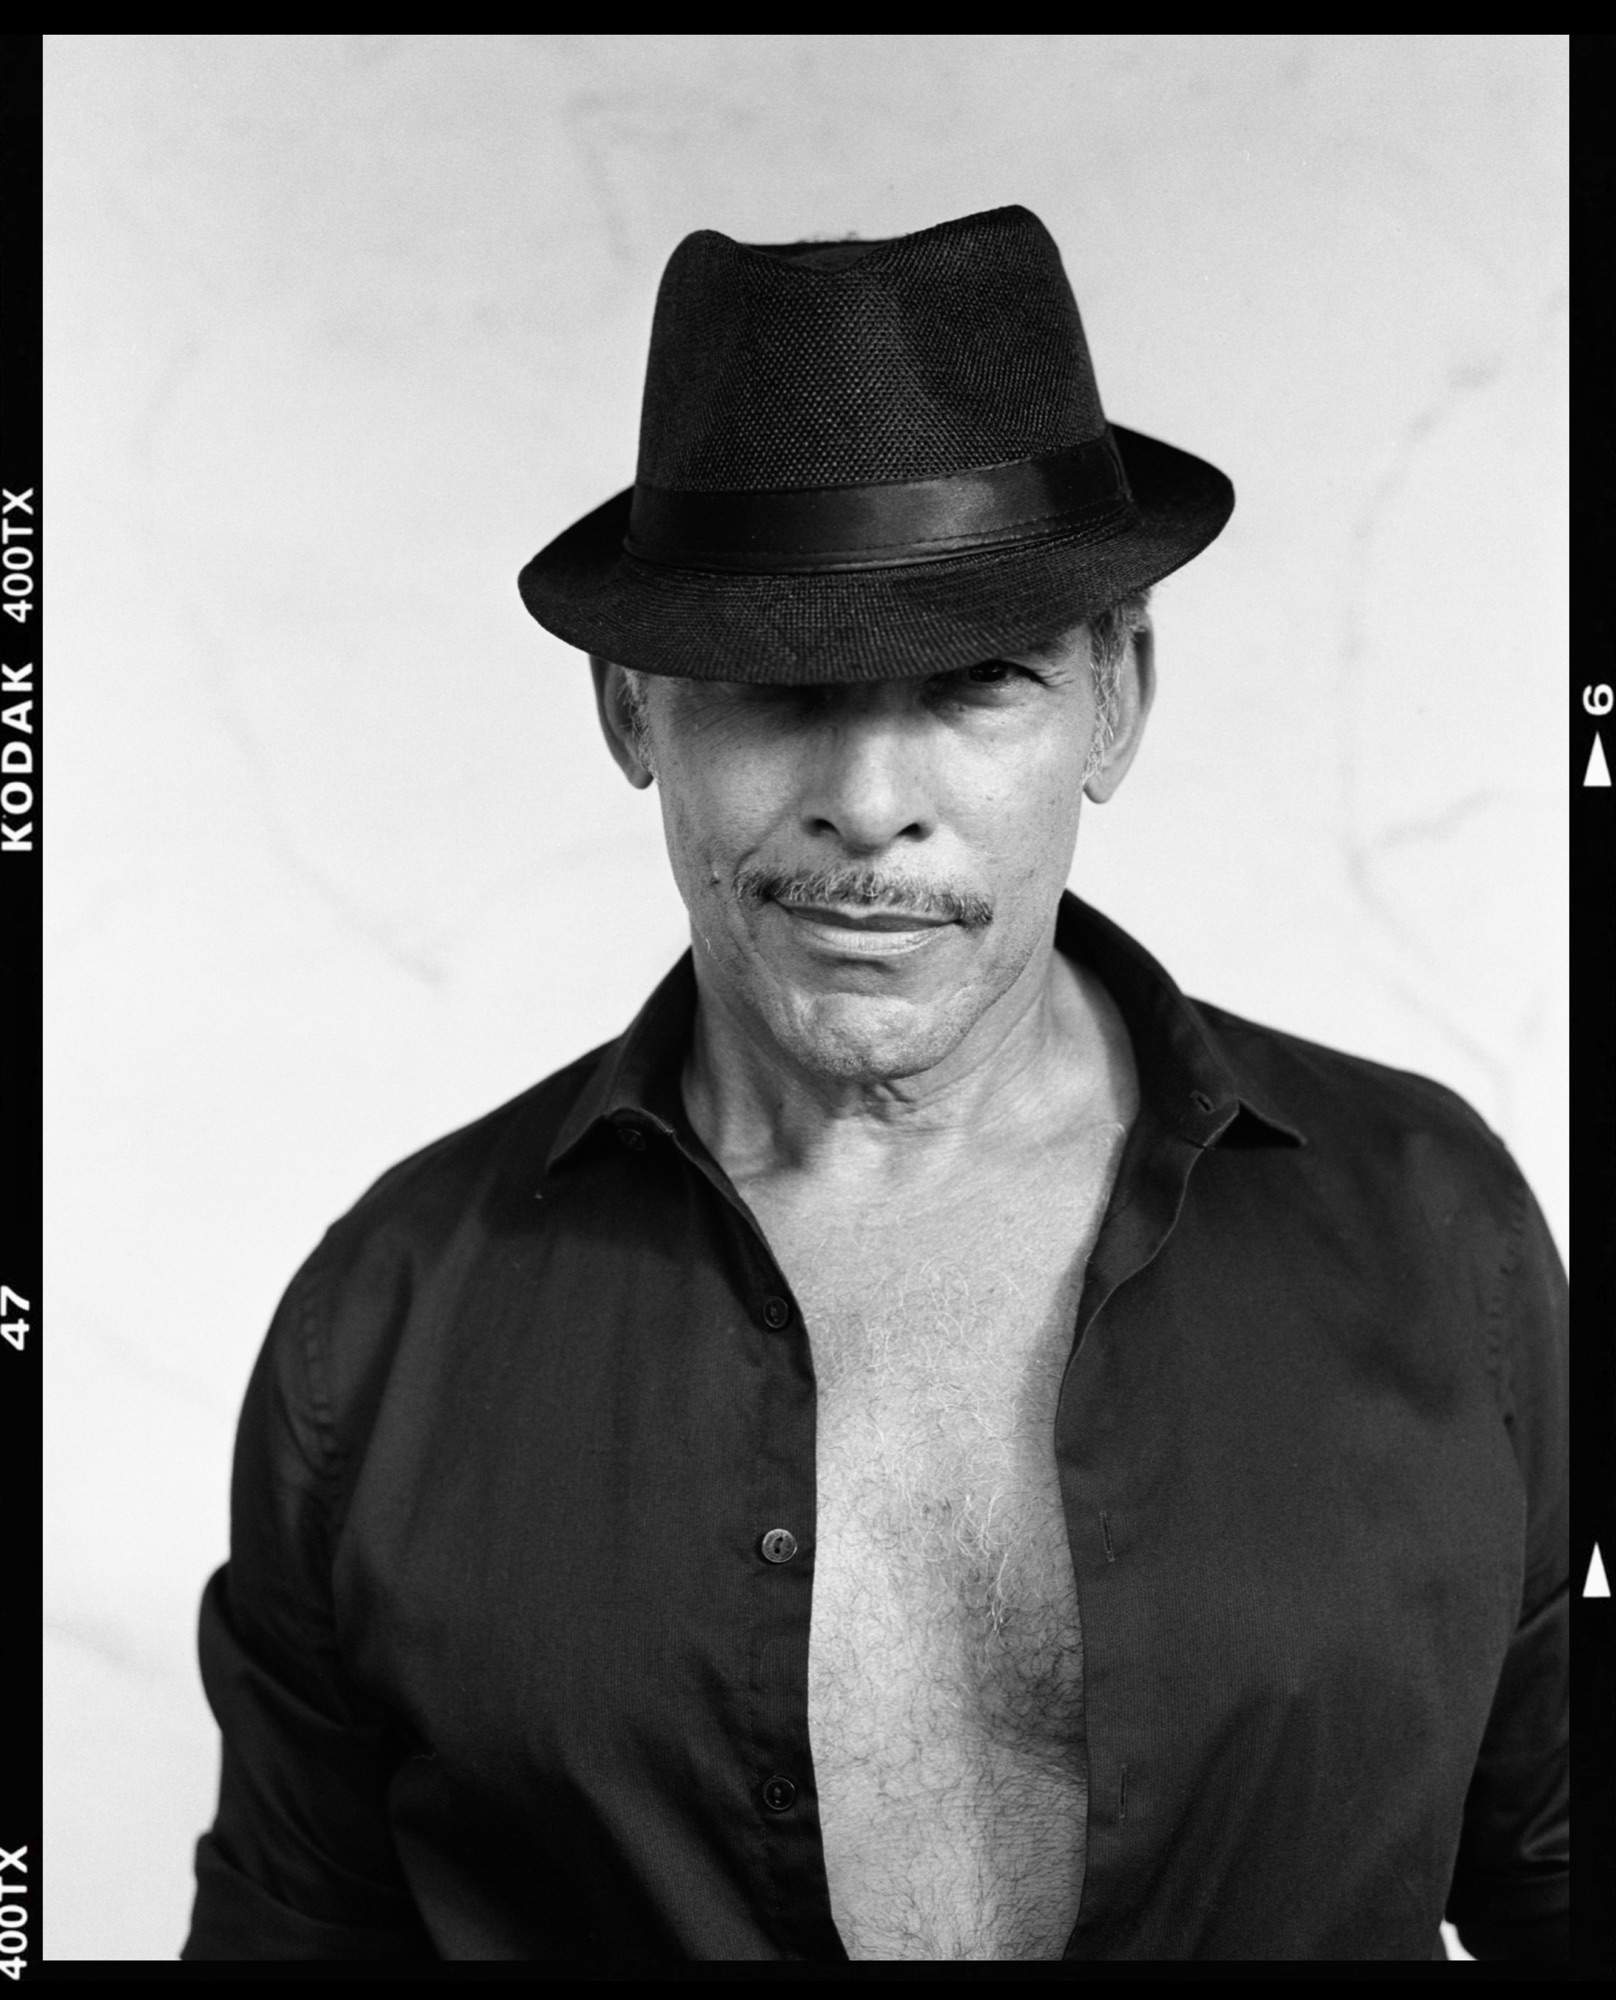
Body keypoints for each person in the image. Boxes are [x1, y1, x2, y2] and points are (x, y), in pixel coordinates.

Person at [182, 206, 1567, 1963]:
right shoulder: (383, 1331)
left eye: (977, 682)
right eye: (776, 686)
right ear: (631, 710)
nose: (870, 801)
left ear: (1116, 700)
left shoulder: (1432, 1229)